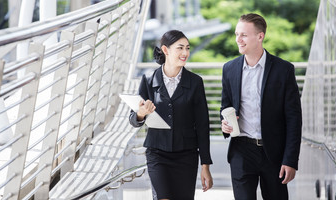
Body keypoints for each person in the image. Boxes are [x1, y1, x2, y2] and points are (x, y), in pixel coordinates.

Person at [220, 13, 302, 200]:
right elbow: (225, 108)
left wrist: (290, 160)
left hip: (273, 153)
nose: (238, 40)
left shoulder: (284, 70)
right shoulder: (229, 69)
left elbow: (294, 119)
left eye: (243, 35)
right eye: (236, 34)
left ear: (260, 36)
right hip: (241, 150)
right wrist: (225, 125)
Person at [129, 30, 213, 200]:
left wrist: (205, 166)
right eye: (180, 48)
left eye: (187, 48)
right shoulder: (148, 80)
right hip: (157, 153)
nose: (185, 53)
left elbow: (203, 125)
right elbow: (133, 119)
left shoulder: (195, 82)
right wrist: (141, 113)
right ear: (165, 50)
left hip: (186, 155)